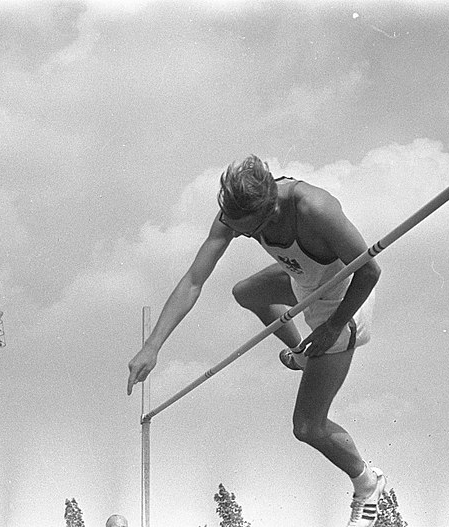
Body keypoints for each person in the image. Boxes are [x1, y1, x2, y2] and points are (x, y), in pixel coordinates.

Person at [127, 155, 385, 526]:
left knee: (307, 427)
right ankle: (301, 353)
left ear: (272, 210)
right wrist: (153, 345)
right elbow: (194, 280)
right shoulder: (236, 211)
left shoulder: (314, 207)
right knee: (246, 292)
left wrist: (332, 327)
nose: (241, 234)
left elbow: (370, 271)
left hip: (345, 303)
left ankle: (366, 482)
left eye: (248, 231)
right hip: (305, 283)